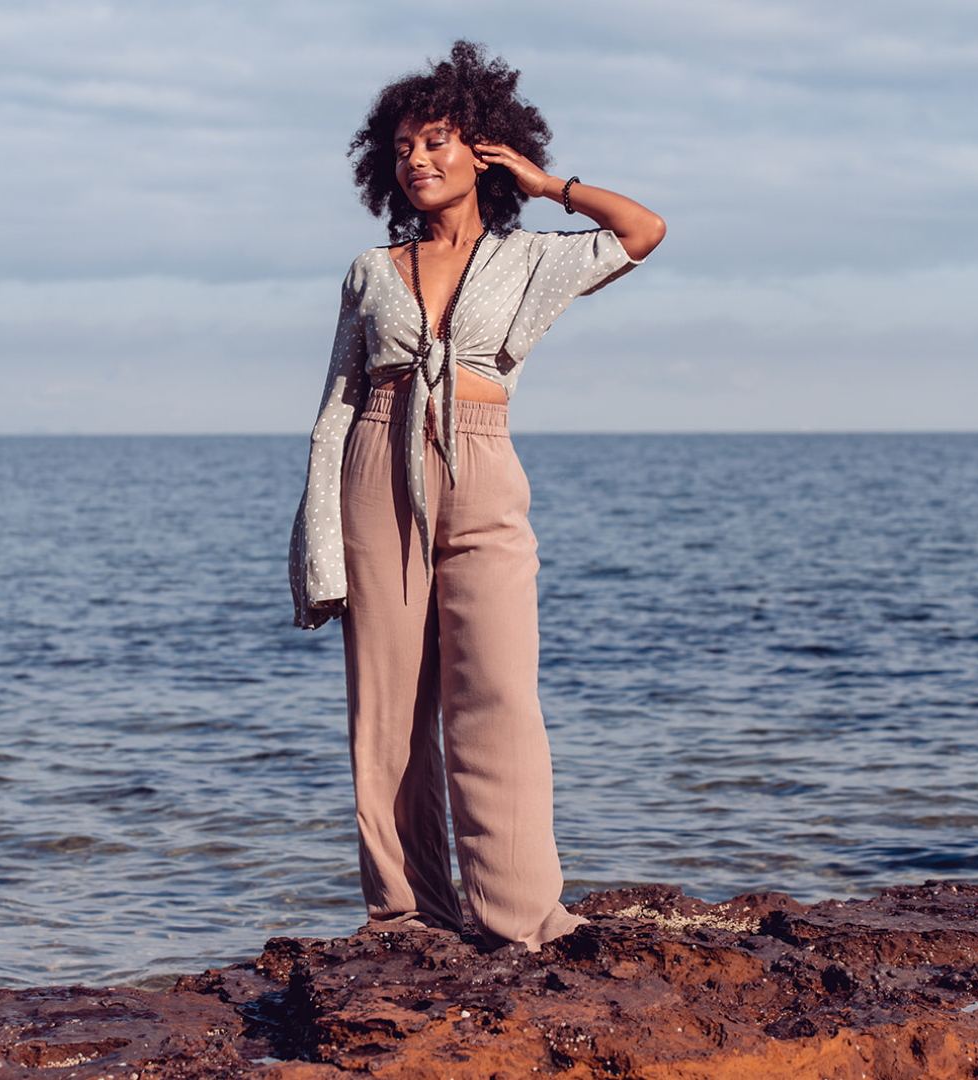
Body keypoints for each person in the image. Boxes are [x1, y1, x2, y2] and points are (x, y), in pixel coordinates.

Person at [289, 41, 665, 952]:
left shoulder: (530, 257)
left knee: (497, 689)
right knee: (387, 706)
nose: (417, 160)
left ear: (481, 150)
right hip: (376, 463)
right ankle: (408, 909)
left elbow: (641, 230)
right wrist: (318, 543)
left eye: (437, 142)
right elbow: (337, 407)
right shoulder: (372, 269)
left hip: (483, 465)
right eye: (404, 148)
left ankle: (520, 912)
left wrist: (546, 184)